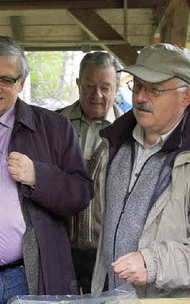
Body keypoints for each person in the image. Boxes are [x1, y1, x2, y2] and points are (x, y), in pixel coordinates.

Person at [91, 43, 190, 298]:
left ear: (187, 95)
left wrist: (153, 263)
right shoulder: (115, 143)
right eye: (138, 86)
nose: (141, 97)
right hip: (115, 295)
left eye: (154, 89)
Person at [0, 35, 93, 303]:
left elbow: (81, 194)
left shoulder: (55, 127)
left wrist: (39, 177)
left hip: (29, 275)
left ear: (21, 84)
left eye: (6, 79)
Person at [57, 51, 123, 294]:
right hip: (60, 247)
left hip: (107, 251)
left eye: (106, 87)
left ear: (116, 88)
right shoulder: (55, 124)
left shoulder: (128, 131)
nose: (97, 94)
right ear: (78, 84)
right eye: (89, 86)